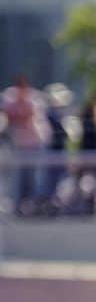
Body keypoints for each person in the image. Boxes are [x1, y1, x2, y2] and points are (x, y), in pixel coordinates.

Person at [1, 75, 48, 214]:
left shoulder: (33, 100)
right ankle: (17, 207)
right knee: (17, 179)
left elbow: (30, 115)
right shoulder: (9, 99)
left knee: (33, 178)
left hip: (34, 144)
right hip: (17, 146)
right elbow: (7, 115)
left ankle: (32, 207)